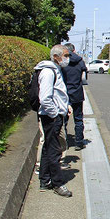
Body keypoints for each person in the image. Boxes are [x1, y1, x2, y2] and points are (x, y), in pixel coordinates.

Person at [34, 44, 73, 197]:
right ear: (56, 57)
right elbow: (45, 98)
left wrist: (65, 106)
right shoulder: (49, 72)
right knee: (54, 150)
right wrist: (55, 113)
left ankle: (44, 179)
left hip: (52, 115)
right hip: (51, 117)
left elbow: (57, 94)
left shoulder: (54, 70)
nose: (67, 58)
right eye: (65, 55)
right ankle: (58, 183)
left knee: (48, 148)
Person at [61, 43, 87, 150]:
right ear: (74, 50)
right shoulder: (80, 61)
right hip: (77, 93)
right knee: (78, 119)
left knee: (64, 120)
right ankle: (79, 142)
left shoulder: (63, 61)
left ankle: (65, 142)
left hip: (65, 94)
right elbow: (84, 77)